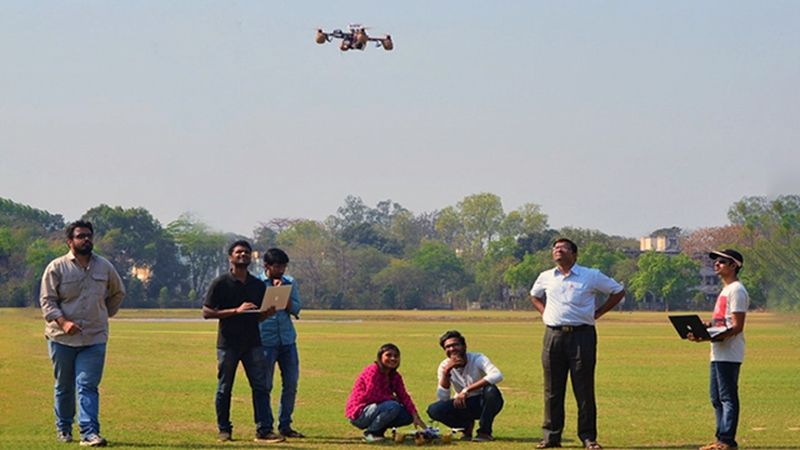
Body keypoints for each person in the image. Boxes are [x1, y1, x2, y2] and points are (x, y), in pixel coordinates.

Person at [530, 238, 626, 450]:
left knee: (583, 388)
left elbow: (618, 291)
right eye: (555, 248)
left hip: (582, 335)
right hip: (553, 335)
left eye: (563, 248)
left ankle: (588, 437)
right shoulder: (546, 276)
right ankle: (551, 436)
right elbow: (534, 295)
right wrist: (544, 313)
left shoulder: (590, 275)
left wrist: (599, 312)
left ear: (574, 254)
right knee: (552, 389)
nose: (558, 251)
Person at [40, 220, 126, 447]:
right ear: (70, 241)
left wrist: (104, 313)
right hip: (61, 338)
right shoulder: (56, 268)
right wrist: (63, 322)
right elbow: (47, 302)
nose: (86, 239)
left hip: (94, 337)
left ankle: (89, 432)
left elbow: (118, 292)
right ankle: (64, 427)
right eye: (80, 236)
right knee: (64, 385)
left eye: (89, 235)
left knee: (87, 385)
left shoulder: (104, 267)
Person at [202, 240, 282, 443]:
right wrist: (236, 311)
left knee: (261, 387)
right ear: (230, 257)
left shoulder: (257, 285)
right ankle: (224, 430)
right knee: (224, 388)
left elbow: (257, 316)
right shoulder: (220, 283)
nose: (243, 255)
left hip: (253, 343)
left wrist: (268, 312)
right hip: (228, 343)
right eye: (238, 252)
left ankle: (264, 430)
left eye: (246, 252)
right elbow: (207, 312)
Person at [690, 249, 749, 450]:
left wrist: (709, 336)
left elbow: (737, 326)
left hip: (730, 353)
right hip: (717, 352)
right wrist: (705, 329)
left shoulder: (737, 291)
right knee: (716, 398)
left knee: (727, 397)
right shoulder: (725, 291)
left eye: (722, 262)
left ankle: (727, 441)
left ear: (734, 266)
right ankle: (719, 440)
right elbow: (721, 322)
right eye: (715, 261)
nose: (716, 264)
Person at [258, 248, 304, 438]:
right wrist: (272, 293)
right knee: (265, 385)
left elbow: (297, 308)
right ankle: (265, 426)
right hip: (265, 341)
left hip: (287, 340)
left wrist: (283, 299)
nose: (281, 270)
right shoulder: (256, 284)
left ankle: (285, 425)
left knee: (291, 384)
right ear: (266, 266)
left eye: (284, 266)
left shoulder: (290, 283)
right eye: (277, 266)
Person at [426, 330, 504, 442]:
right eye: (448, 347)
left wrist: (466, 390)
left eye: (455, 345)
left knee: (491, 390)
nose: (452, 349)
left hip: (485, 402)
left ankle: (484, 432)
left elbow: (497, 375)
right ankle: (465, 426)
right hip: (463, 404)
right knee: (434, 410)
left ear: (464, 346)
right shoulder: (444, 366)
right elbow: (443, 398)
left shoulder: (478, 358)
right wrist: (447, 372)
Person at [346, 343, 426, 442]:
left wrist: (415, 416)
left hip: (378, 408)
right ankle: (371, 433)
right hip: (360, 412)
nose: (392, 358)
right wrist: (392, 398)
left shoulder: (395, 376)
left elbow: (404, 396)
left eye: (396, 356)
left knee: (407, 415)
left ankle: (379, 431)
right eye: (388, 355)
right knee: (393, 406)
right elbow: (372, 394)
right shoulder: (373, 370)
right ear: (380, 357)